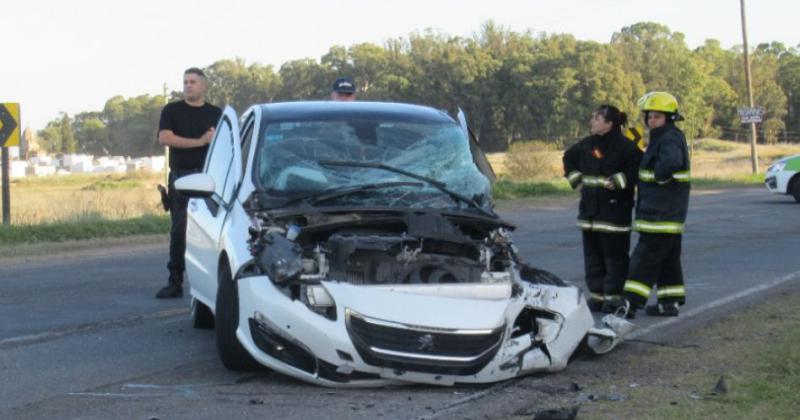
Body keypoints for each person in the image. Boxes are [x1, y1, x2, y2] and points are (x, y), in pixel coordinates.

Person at [564, 105, 643, 314]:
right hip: (590, 215)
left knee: (614, 259)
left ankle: (614, 298)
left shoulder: (626, 147)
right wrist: (575, 179)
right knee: (593, 258)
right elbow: (568, 158)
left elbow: (639, 167)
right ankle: (598, 297)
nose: (592, 122)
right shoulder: (587, 145)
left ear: (609, 124)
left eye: (597, 119)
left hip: (614, 215)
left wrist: (621, 179)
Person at [622, 92, 691, 317]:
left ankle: (629, 304)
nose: (651, 121)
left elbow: (670, 164)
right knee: (667, 260)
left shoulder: (668, 138)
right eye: (650, 117)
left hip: (660, 214)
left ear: (669, 118)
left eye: (657, 117)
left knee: (644, 260)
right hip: (666, 213)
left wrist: (659, 176)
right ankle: (669, 303)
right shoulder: (664, 137)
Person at [155, 68, 222, 298]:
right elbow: (164, 138)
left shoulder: (216, 113)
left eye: (193, 82)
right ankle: (175, 282)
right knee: (179, 230)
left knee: (212, 231)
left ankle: (213, 283)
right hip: (182, 177)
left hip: (209, 178)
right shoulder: (172, 110)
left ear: (204, 86)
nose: (188, 86)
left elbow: (224, 144)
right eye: (185, 82)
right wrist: (200, 141)